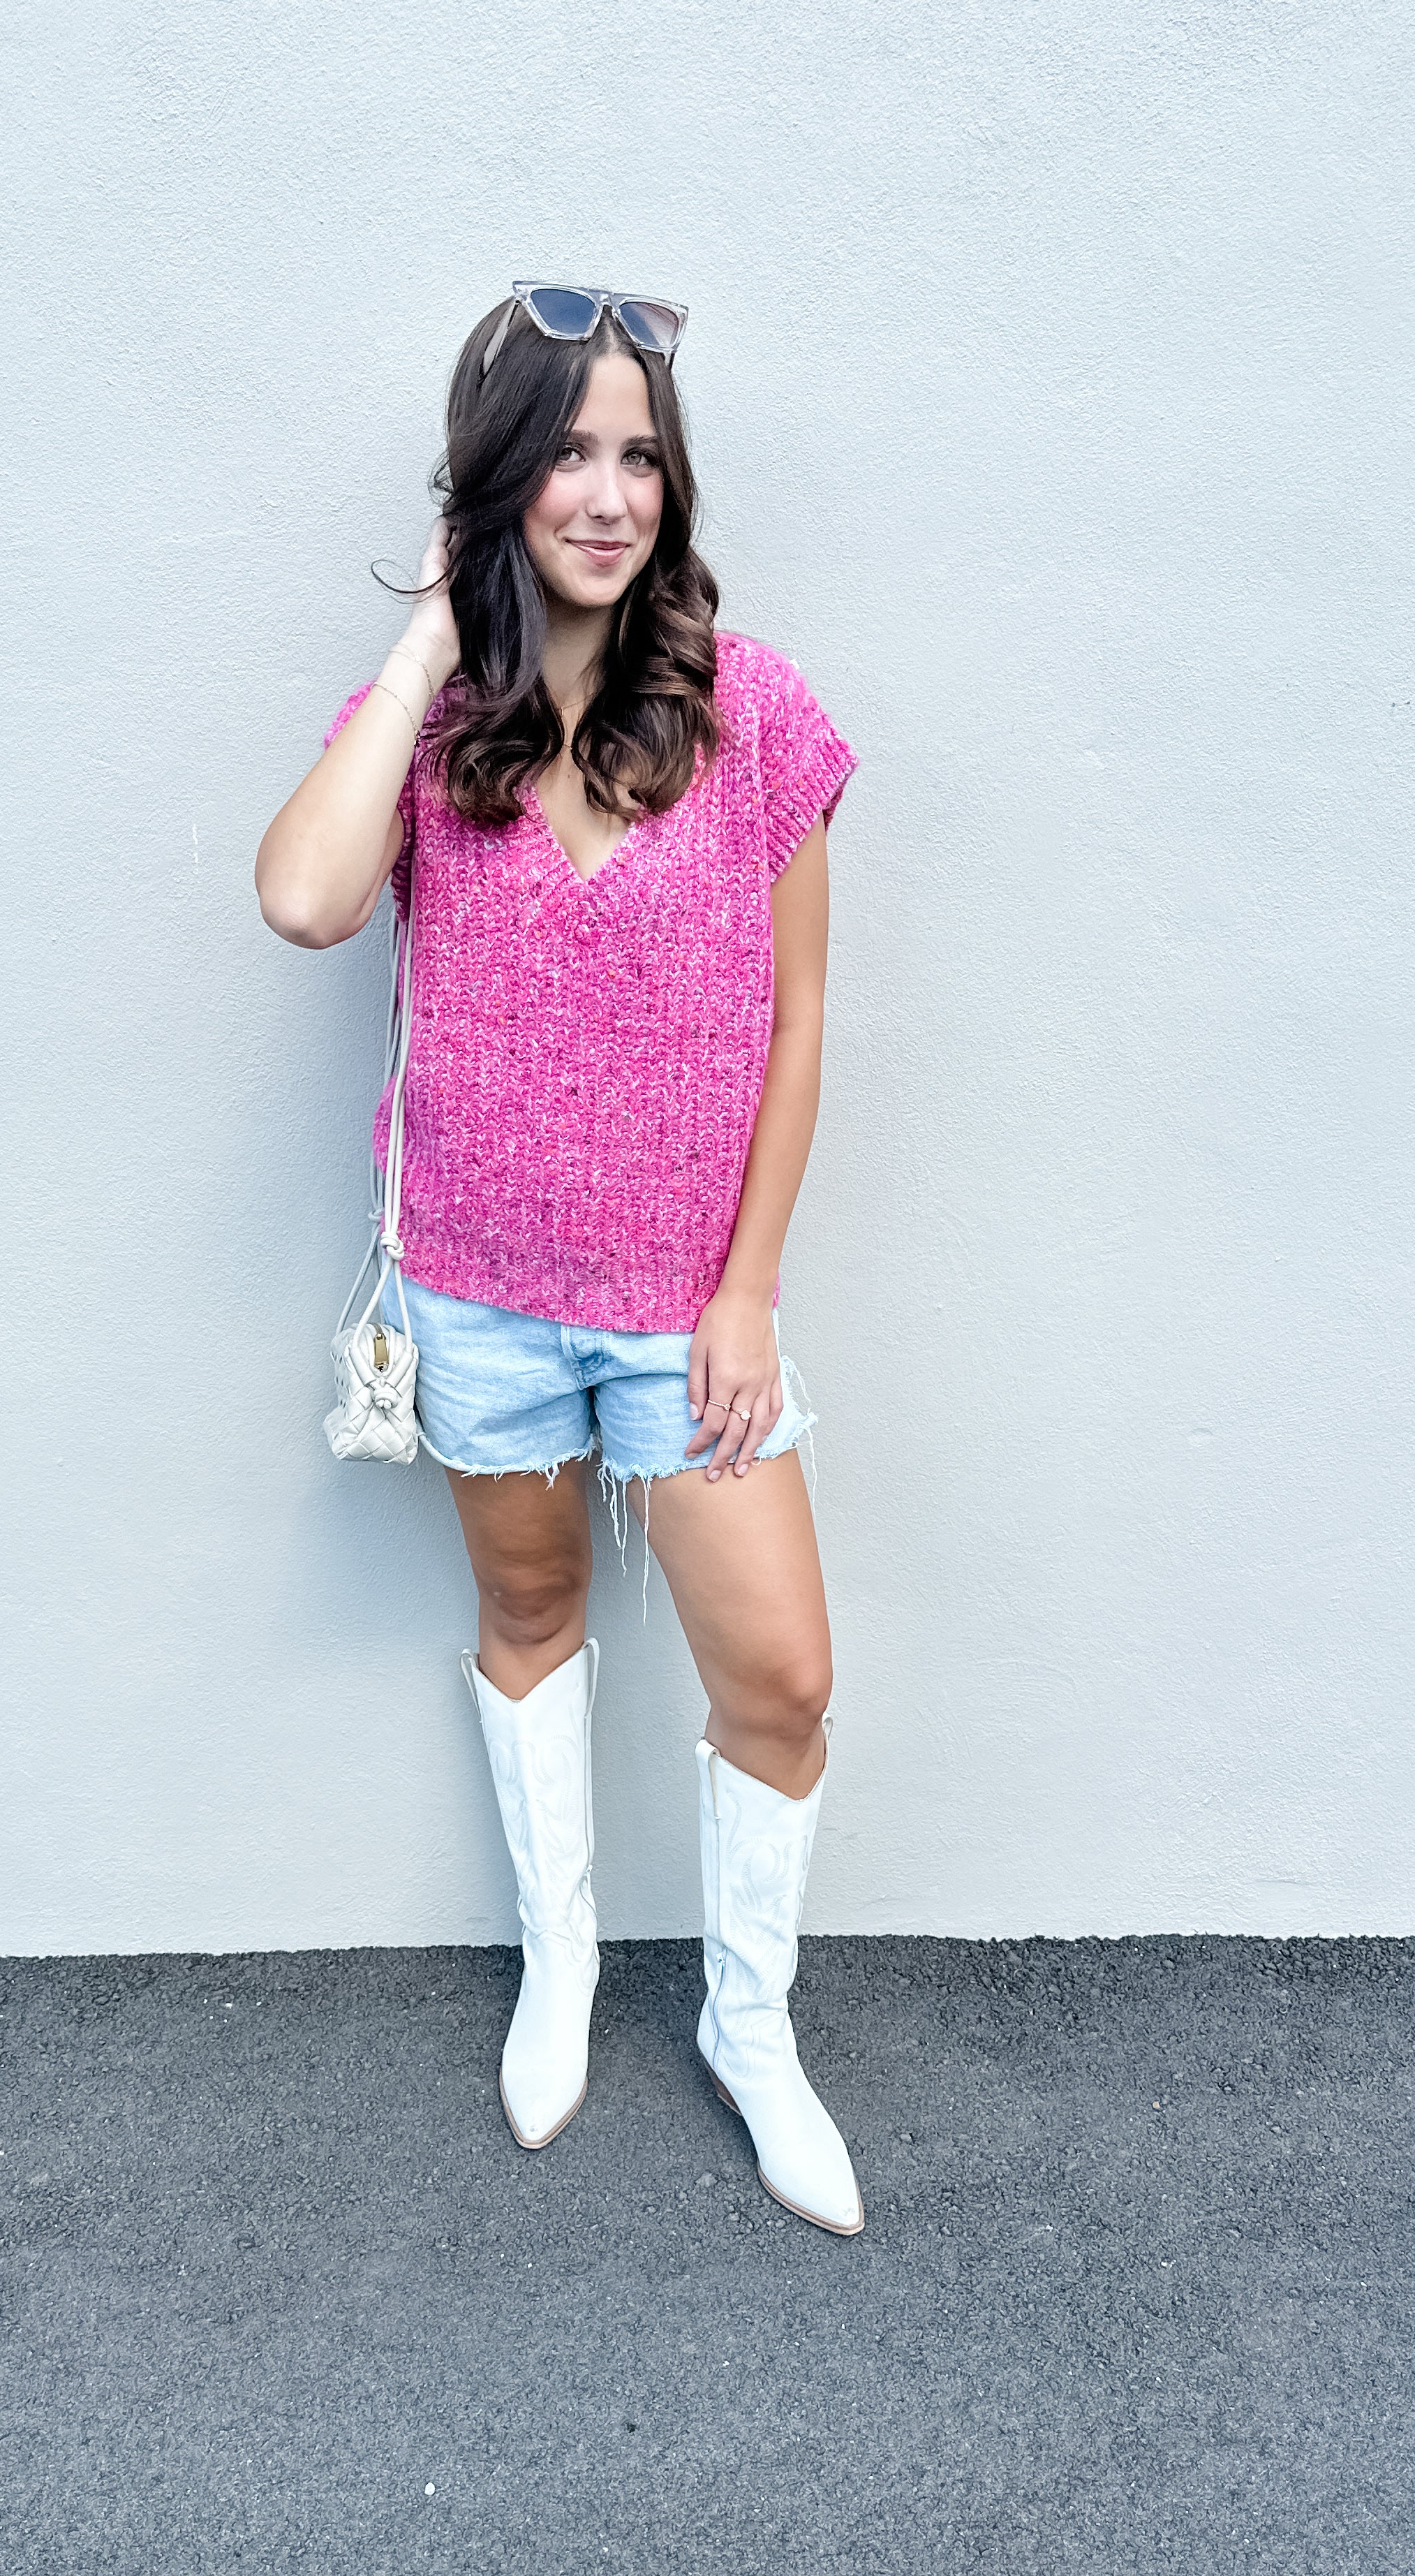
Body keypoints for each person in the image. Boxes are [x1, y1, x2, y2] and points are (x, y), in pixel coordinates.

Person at [254, 285, 861, 2235]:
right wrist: (434, 626)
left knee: (779, 1672)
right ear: (501, 477)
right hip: (480, 1296)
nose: (608, 493)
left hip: (686, 1320)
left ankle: (750, 2031)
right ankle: (567, 1965)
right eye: (567, 452)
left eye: (638, 451)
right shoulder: (433, 726)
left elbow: (799, 1018)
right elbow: (302, 899)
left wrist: (748, 1285)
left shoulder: (752, 707)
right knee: (532, 1630)